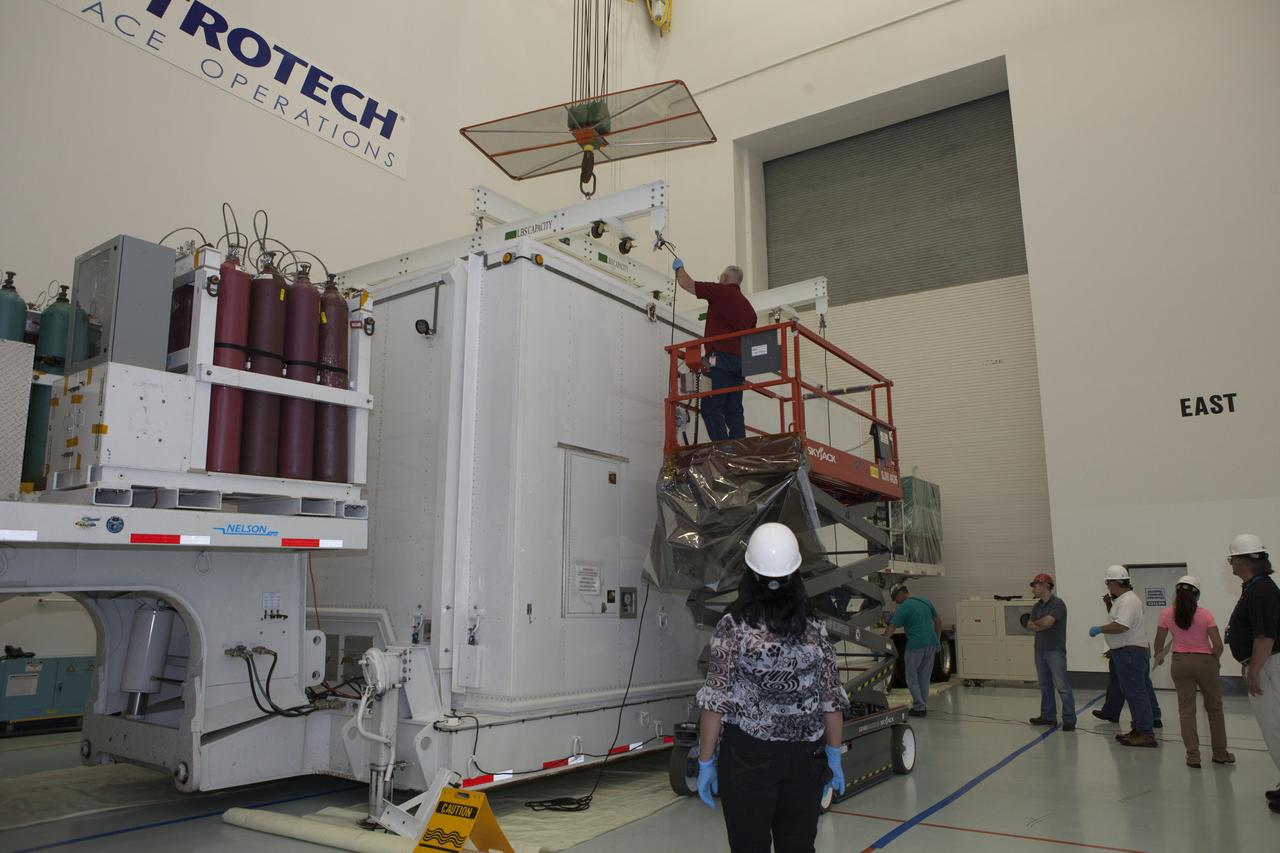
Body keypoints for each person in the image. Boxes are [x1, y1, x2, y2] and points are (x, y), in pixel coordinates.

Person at [694, 522, 849, 853]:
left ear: (750, 572)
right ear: (795, 574)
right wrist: (834, 754)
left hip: (747, 757)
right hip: (806, 760)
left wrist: (706, 761)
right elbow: (830, 700)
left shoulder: (732, 624)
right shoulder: (815, 628)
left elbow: (714, 701)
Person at [1223, 534, 1280, 813]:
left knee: (1275, 727)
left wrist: (1255, 670)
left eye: (1231, 558)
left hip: (1269, 666)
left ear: (1242, 561)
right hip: (1266, 664)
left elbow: (1265, 636)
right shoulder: (1256, 588)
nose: (1230, 564)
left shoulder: (1261, 591)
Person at [1152, 575, 1232, 768]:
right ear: (1197, 595)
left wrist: (1159, 657)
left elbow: (1158, 645)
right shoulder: (1206, 615)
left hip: (1180, 663)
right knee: (1214, 709)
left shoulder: (1166, 614)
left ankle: (1193, 756)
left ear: (1177, 593)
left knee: (1186, 711)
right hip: (1205, 663)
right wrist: (1215, 661)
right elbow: (1218, 645)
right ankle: (1220, 753)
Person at [673, 259, 757, 441]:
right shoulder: (750, 309)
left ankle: (723, 450)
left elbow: (686, 283)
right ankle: (739, 451)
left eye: (721, 276)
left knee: (711, 407)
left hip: (719, 360)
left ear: (726, 277)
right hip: (740, 366)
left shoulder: (720, 292)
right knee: (733, 412)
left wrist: (679, 267)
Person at [1088, 565, 1158, 747]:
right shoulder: (1124, 600)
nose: (1107, 587)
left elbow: (1122, 626)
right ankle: (1138, 729)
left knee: (1136, 693)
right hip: (1126, 652)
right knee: (1132, 692)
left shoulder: (1128, 601)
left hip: (1130, 653)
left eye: (1108, 583)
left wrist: (1100, 629)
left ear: (1114, 582)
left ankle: (1145, 732)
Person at [1022, 573, 1076, 731]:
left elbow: (1048, 623)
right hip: (1040, 650)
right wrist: (1041, 623)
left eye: (1035, 586)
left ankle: (1069, 719)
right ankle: (1048, 716)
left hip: (1054, 650)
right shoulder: (1037, 606)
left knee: (1062, 687)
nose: (1033, 589)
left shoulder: (1058, 604)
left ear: (1045, 585)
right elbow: (1030, 626)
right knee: (1045, 686)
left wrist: (1038, 623)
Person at [884, 584, 941, 717]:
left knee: (912, 677)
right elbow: (938, 621)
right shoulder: (925, 601)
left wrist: (882, 641)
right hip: (931, 644)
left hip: (915, 646)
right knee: (924, 677)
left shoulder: (903, 608)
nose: (895, 601)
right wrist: (937, 640)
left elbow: (891, 628)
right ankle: (922, 705)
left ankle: (919, 707)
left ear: (901, 593)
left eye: (894, 597)